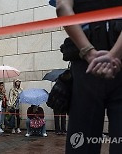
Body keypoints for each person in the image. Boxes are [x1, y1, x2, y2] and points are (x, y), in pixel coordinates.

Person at [55, 0, 122, 153]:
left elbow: (62, 7)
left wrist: (89, 53)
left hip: (85, 66)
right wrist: (114, 55)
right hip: (118, 62)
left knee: (81, 145)